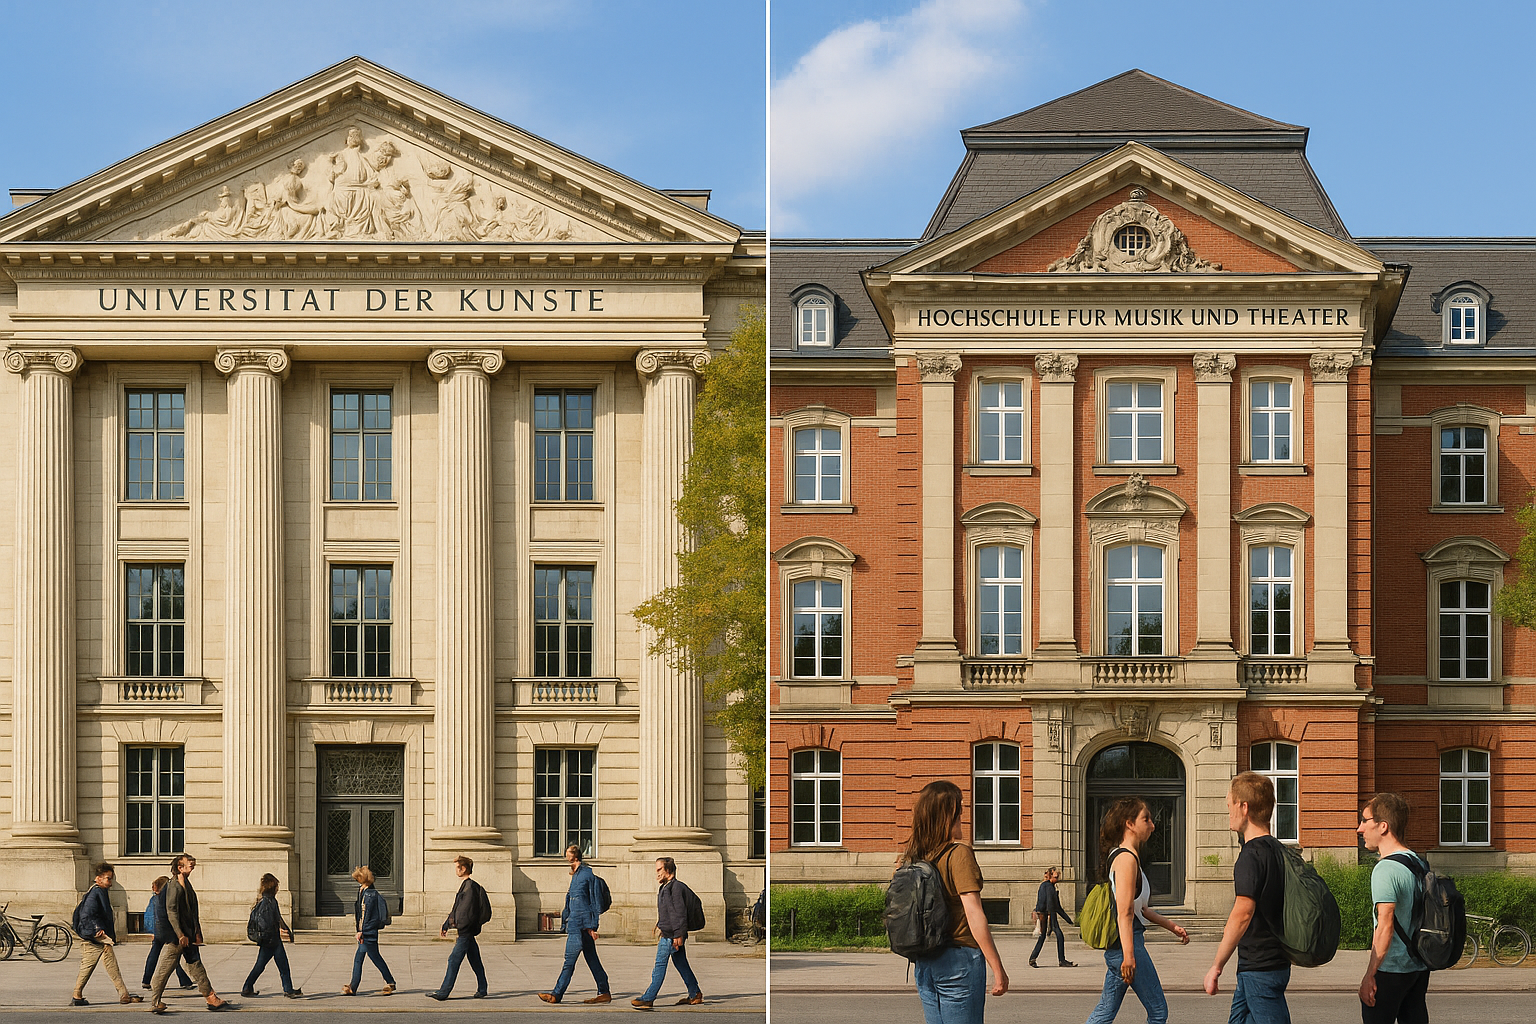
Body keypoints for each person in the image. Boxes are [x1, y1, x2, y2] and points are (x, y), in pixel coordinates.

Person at [900, 780, 1009, 1024]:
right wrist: (997, 968)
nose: (962, 816)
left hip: (925, 962)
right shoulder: (958, 854)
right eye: (959, 810)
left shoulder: (913, 858)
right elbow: (974, 913)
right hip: (959, 961)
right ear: (948, 816)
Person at [1084, 797, 1189, 1024]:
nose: (1152, 825)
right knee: (1158, 1012)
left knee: (1105, 1011)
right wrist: (1129, 956)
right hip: (1127, 946)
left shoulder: (1125, 856)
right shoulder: (1126, 859)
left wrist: (1172, 927)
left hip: (1121, 948)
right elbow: (1125, 912)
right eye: (1146, 819)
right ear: (1129, 823)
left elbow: (1141, 908)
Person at [1203, 772, 1290, 1023]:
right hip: (1267, 962)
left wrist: (1217, 966)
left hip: (1260, 967)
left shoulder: (1250, 856)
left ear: (1244, 807)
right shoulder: (1278, 850)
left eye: (1230, 804)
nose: (1228, 811)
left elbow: (1242, 913)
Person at [1357, 793, 1430, 1024]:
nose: (1360, 829)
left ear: (1383, 826)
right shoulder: (1418, 862)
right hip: (1418, 966)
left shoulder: (1386, 869)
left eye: (1365, 821)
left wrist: (1370, 974)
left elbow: (1385, 926)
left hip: (1391, 969)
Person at [147, 854, 234, 1013]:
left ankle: (211, 997)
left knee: (195, 965)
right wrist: (180, 934)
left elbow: (192, 911)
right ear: (180, 868)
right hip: (178, 937)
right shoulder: (174, 886)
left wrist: (197, 931)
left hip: (188, 934)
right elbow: (171, 911)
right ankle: (155, 1001)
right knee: (165, 969)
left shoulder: (186, 883)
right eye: (189, 864)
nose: (192, 866)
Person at [540, 844, 611, 1004]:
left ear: (576, 855)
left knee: (569, 962)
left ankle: (556, 994)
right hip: (575, 924)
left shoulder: (587, 874)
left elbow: (594, 902)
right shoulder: (576, 875)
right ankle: (604, 991)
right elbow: (571, 902)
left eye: (568, 853)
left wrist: (592, 926)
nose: (566, 856)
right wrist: (566, 920)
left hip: (581, 927)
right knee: (592, 960)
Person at [632, 858, 704, 1010]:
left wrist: (679, 935)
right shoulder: (666, 887)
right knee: (681, 964)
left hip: (671, 936)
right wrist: (660, 924)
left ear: (669, 871)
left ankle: (648, 998)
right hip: (670, 932)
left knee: (659, 965)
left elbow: (679, 913)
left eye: (659, 870)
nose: (657, 873)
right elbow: (669, 912)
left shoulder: (675, 888)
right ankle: (695, 993)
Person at [71, 862, 142, 1006]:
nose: (111, 883)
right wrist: (97, 929)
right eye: (108, 879)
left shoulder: (99, 892)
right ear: (98, 878)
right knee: (89, 966)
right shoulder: (95, 893)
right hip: (95, 938)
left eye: (111, 879)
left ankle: (123, 994)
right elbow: (87, 914)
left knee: (109, 965)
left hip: (99, 938)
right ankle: (77, 995)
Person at [428, 856, 490, 1000]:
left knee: (453, 960)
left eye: (457, 867)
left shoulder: (470, 888)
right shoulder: (467, 886)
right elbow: (457, 909)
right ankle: (482, 988)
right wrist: (446, 924)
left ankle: (444, 992)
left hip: (465, 932)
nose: (456, 870)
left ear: (463, 868)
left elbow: (464, 912)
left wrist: (458, 927)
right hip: (466, 931)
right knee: (475, 961)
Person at [241, 874, 301, 999]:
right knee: (281, 966)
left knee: (264, 965)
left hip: (269, 939)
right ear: (272, 887)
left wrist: (285, 929)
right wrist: (284, 930)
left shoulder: (263, 900)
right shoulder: (270, 902)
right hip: (272, 940)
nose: (278, 888)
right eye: (277, 886)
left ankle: (248, 987)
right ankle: (288, 990)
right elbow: (274, 920)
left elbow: (277, 918)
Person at [343, 866, 396, 996]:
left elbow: (365, 915)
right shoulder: (363, 891)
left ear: (362, 879)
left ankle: (354, 987)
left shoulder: (369, 894)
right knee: (370, 958)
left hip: (368, 933)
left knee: (366, 959)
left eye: (357, 878)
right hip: (367, 931)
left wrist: (361, 931)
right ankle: (389, 982)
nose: (357, 881)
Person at [142, 877, 193, 992]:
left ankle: (146, 980)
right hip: (168, 931)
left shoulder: (154, 899)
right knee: (173, 956)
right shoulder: (166, 898)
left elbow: (149, 916)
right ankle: (184, 981)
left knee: (154, 954)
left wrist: (152, 930)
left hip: (157, 931)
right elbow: (171, 914)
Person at [1030, 867, 1076, 969]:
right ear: (1050, 876)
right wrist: (1054, 918)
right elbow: (1053, 905)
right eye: (1056, 877)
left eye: (1058, 877)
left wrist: (1068, 919)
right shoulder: (1049, 887)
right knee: (1059, 935)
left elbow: (1044, 903)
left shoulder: (1044, 885)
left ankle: (1032, 958)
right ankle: (1062, 960)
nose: (1057, 879)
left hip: (1044, 913)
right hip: (1048, 913)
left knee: (1043, 937)